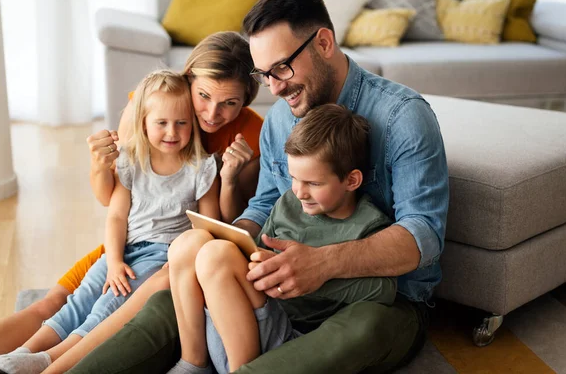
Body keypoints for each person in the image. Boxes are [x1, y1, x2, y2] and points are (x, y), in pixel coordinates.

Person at [69, 0, 449, 374]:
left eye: (282, 68)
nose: (276, 87)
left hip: (380, 300)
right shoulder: (282, 119)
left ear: (323, 42)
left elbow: (424, 236)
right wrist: (225, 243)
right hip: (280, 283)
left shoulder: (403, 117)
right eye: (265, 75)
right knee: (170, 300)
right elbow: (264, 206)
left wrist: (322, 264)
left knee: (345, 337)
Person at [0, 31, 263, 371]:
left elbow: (228, 221)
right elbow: (112, 201)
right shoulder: (151, 103)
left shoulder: (251, 135)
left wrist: (229, 177)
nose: (214, 113)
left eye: (230, 102)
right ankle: (17, 357)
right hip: (127, 237)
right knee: (55, 302)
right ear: (187, 80)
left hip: (177, 250)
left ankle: (50, 362)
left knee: (108, 305)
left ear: (245, 99)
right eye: (203, 95)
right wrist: (100, 165)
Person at [167, 104, 397, 374]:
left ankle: (244, 370)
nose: (299, 192)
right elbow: (261, 251)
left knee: (216, 256)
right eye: (293, 179)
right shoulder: (288, 202)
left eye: (313, 183)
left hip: (286, 336)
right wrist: (263, 262)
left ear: (351, 180)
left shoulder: (368, 224)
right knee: (188, 243)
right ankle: (194, 363)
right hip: (239, 322)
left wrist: (307, 277)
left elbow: (384, 289)